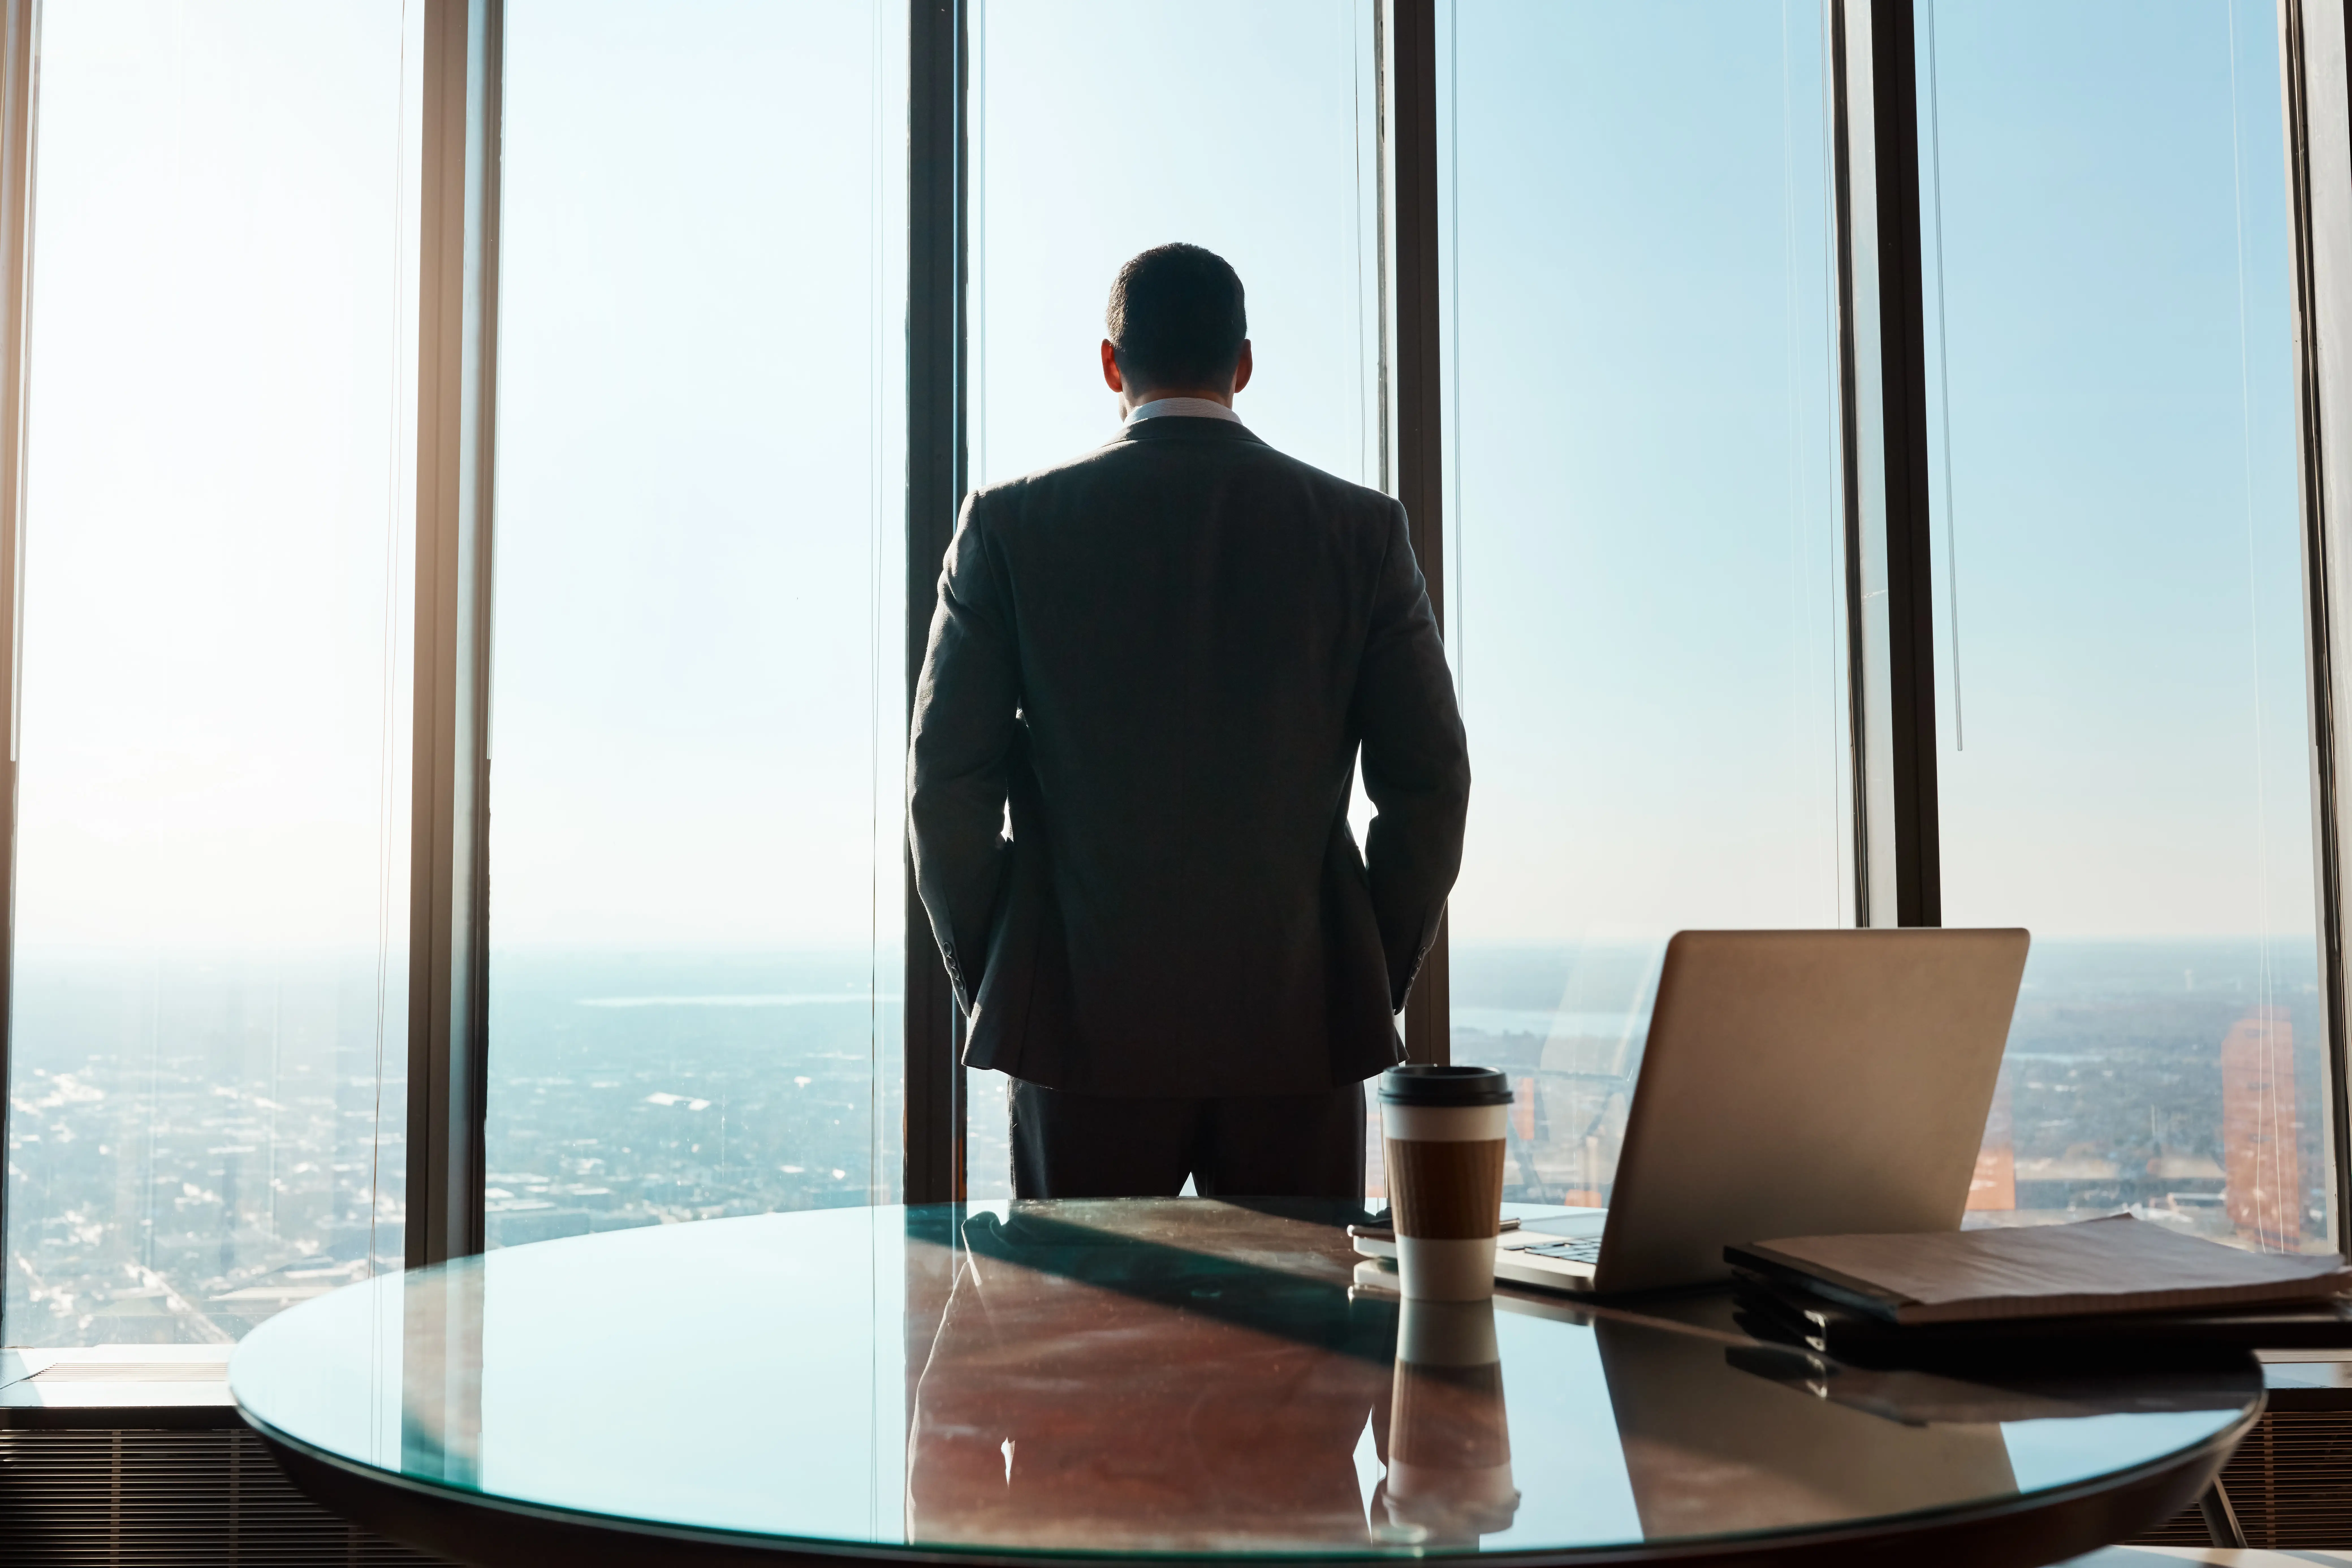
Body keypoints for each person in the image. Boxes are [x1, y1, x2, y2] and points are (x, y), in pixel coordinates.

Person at [907, 242, 1469, 1200]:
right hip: (1298, 1032)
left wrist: (1016, 973)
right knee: (1304, 1346)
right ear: (1242, 364)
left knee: (1088, 1347)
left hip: (1081, 1031)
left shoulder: (1007, 529)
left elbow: (947, 792)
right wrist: (1354, 968)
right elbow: (1429, 787)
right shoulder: (1361, 532)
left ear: (1110, 364)